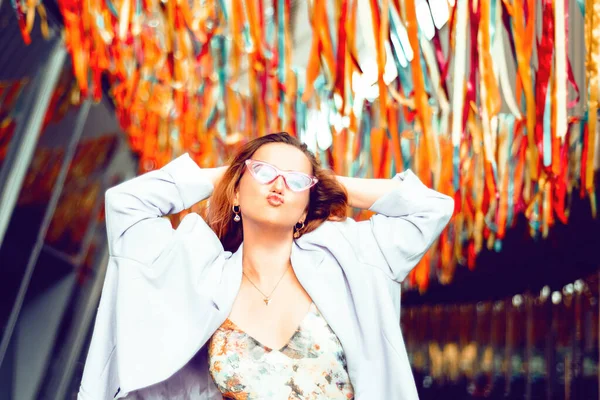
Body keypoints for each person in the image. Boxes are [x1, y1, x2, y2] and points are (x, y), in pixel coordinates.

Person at [78, 132, 454, 400]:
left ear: (306, 206)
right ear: (237, 191)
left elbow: (430, 208)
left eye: (294, 179)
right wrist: (229, 173)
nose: (279, 184)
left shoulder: (349, 258)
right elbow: (126, 204)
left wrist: (326, 183)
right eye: (264, 172)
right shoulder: (201, 274)